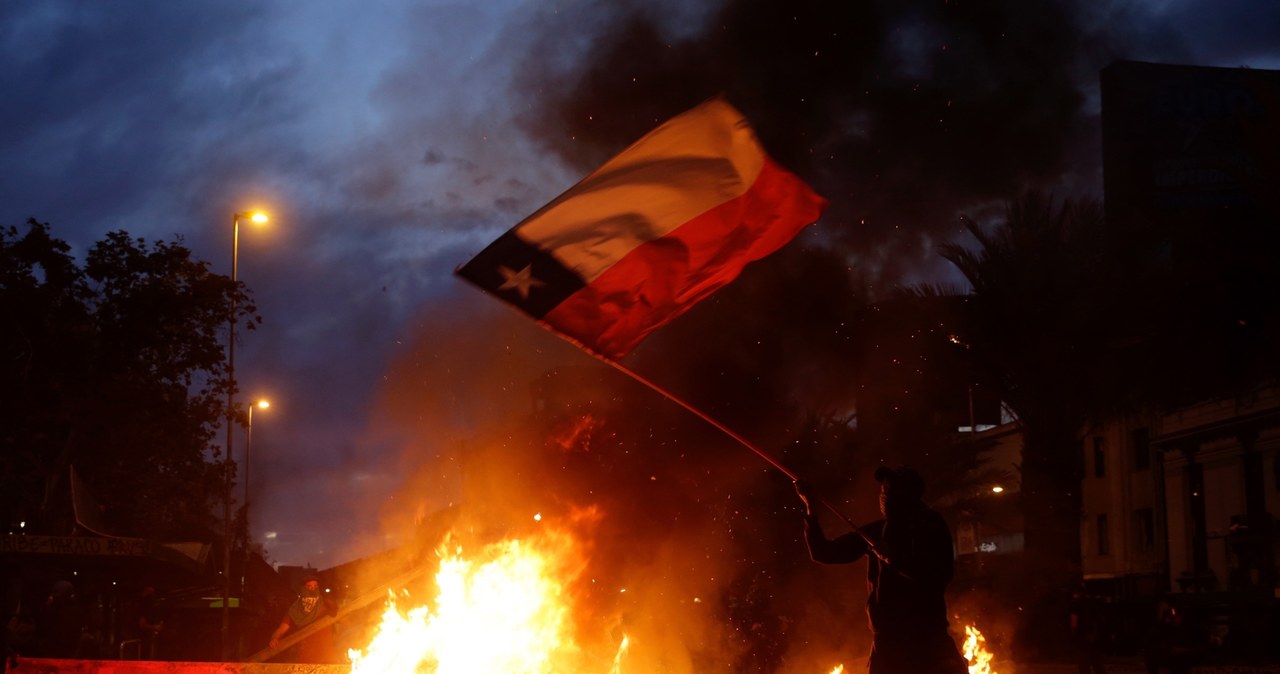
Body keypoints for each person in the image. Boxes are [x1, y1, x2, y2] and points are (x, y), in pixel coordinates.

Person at [795, 466, 969, 674]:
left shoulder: (930, 525)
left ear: (908, 493)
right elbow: (825, 552)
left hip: (927, 641)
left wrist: (893, 558)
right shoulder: (878, 531)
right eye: (883, 489)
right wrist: (811, 508)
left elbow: (938, 575)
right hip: (888, 644)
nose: (884, 495)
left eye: (890, 489)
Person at [268, 574, 338, 663]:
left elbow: (343, 620)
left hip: (326, 657)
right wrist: (274, 638)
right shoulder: (296, 610)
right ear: (303, 589)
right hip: (306, 657)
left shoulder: (326, 604)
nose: (313, 589)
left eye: (315, 586)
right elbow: (281, 629)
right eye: (309, 586)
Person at [1069, 584, 1107, 674]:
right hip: (1095, 638)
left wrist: (1073, 634)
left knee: (1084, 666)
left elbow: (1074, 623)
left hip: (1082, 639)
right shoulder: (1093, 602)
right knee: (1097, 665)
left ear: (1076, 593)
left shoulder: (1075, 604)